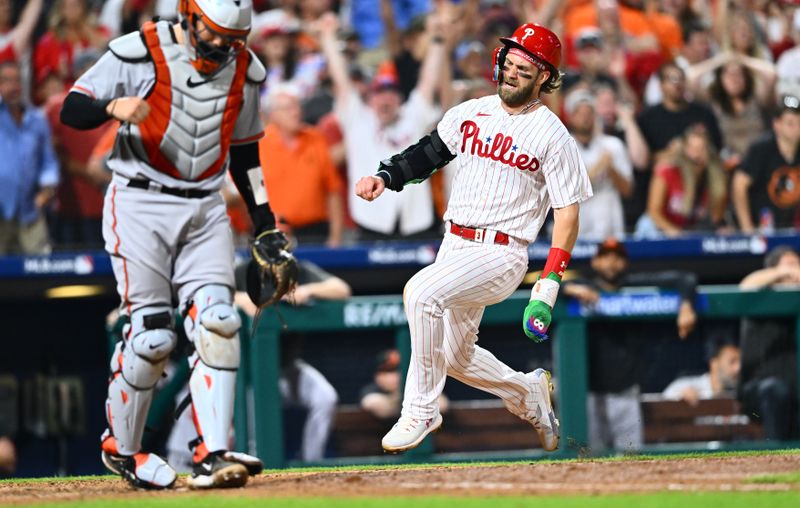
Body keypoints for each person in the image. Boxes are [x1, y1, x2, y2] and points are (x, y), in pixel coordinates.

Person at [59, 0, 292, 489]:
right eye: (214, 34)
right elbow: (72, 108)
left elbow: (244, 151)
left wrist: (264, 222)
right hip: (139, 200)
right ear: (190, 17)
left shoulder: (244, 69)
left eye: (233, 39)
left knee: (219, 320)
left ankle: (211, 451)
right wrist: (111, 107)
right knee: (152, 337)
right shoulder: (142, 50)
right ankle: (121, 449)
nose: (222, 47)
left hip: (205, 205)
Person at [355, 22, 592, 453]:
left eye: (526, 67)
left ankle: (421, 410)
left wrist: (549, 284)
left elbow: (568, 213)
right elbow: (427, 154)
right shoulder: (471, 112)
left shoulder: (552, 134)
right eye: (511, 62)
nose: (513, 72)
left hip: (503, 252)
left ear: (544, 77)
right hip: (455, 244)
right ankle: (526, 393)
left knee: (421, 291)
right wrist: (384, 176)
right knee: (457, 357)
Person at [317, 11, 447, 239]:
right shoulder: (358, 119)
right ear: (370, 97)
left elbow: (427, 81)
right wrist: (328, 38)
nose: (385, 99)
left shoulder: (412, 116)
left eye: (391, 94)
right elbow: (341, 80)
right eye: (380, 93)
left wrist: (437, 39)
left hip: (416, 223)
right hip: (371, 222)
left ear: (400, 99)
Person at [561, 237, 698, 452]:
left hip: (625, 393)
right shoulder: (585, 287)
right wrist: (573, 289)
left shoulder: (634, 286)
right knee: (589, 461)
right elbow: (548, 284)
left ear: (625, 263)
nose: (612, 262)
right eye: (605, 257)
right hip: (589, 395)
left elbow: (685, 278)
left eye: (617, 257)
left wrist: (687, 305)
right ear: (595, 262)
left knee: (630, 458)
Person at [234, 256, 347, 462]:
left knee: (325, 398)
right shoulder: (243, 271)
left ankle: (311, 461)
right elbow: (209, 293)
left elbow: (342, 289)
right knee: (249, 422)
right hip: (246, 370)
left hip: (287, 366)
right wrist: (241, 298)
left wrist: (310, 290)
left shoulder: (298, 271)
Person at [258, 84, 344, 246]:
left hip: (315, 232)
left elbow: (333, 190)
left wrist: (336, 238)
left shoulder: (316, 139)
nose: (296, 112)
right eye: (288, 108)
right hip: (273, 231)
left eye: (297, 106)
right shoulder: (260, 145)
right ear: (273, 114)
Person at [737, 245, 800, 440]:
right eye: (790, 264)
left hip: (795, 390)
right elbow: (745, 286)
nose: (796, 269)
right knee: (775, 389)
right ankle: (775, 457)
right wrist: (784, 272)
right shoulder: (760, 296)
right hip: (758, 394)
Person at [0, 60, 59, 255]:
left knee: (41, 267)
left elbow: (48, 161)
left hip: (30, 209)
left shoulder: (36, 120)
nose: (14, 87)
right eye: (7, 81)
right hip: (1, 208)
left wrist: (47, 188)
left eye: (17, 81)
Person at [565, 89, 633, 241]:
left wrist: (610, 169)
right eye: (579, 113)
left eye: (588, 113)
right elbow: (569, 192)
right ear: (570, 116)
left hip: (609, 218)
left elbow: (627, 190)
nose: (585, 118)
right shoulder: (562, 147)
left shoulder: (613, 145)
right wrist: (598, 167)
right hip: (577, 222)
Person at [732, 95, 800, 233]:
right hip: (763, 227)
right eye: (790, 123)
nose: (797, 128)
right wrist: (747, 227)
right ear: (777, 125)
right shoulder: (762, 149)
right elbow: (739, 184)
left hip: (792, 227)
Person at [360, 348, 449, 421]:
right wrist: (399, 397)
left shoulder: (419, 387)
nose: (393, 377)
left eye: (396, 371)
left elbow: (442, 405)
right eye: (388, 371)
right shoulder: (372, 389)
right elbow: (371, 402)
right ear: (377, 375)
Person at [663, 339, 741, 405]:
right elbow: (661, 410)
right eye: (732, 361)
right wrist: (680, 400)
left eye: (740, 363)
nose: (738, 368)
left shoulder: (740, 395)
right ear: (714, 364)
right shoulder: (682, 387)